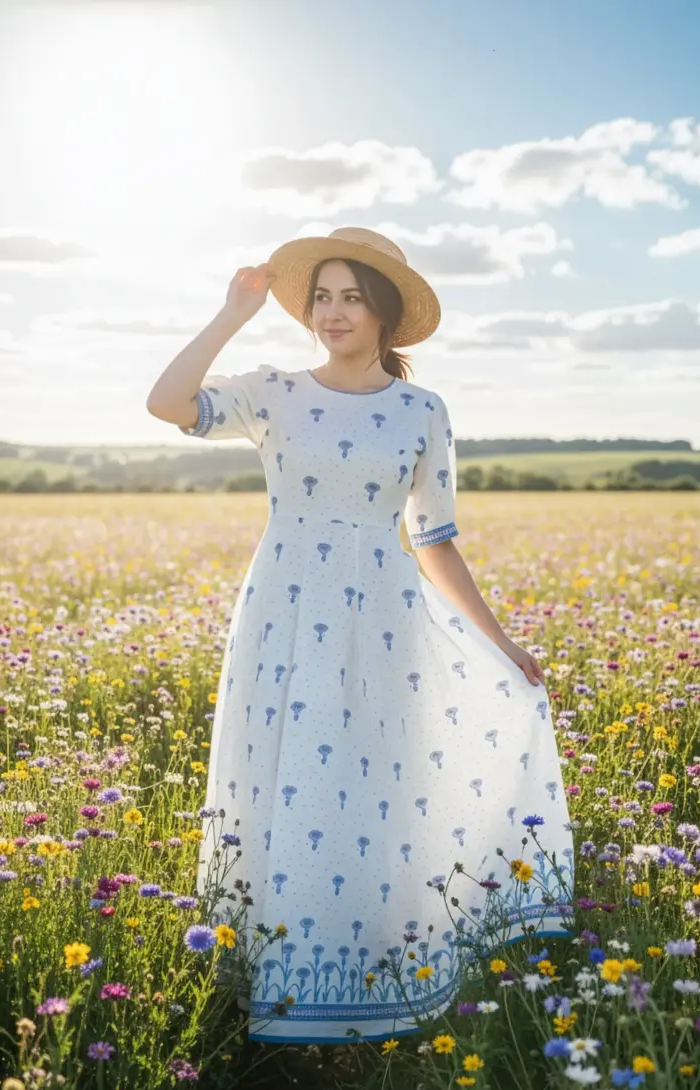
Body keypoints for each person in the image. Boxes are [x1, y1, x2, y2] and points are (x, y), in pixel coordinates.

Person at [146, 226, 574, 1046]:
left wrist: (502, 642)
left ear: (384, 313)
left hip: (383, 619)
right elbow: (167, 404)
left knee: (374, 782)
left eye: (351, 297)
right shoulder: (273, 391)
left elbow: (435, 541)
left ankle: (376, 974)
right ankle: (275, 978)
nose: (332, 313)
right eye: (322, 297)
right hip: (281, 609)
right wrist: (232, 314)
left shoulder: (422, 411)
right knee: (280, 779)